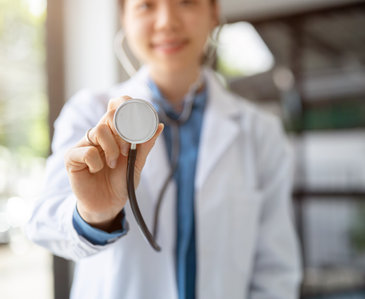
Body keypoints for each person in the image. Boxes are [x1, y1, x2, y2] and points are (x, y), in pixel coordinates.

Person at [27, 0, 302, 298]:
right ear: (125, 18)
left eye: (186, 2)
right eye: (146, 5)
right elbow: (44, 225)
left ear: (213, 13)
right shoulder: (87, 112)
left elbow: (275, 271)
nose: (166, 22)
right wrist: (93, 214)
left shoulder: (260, 131)